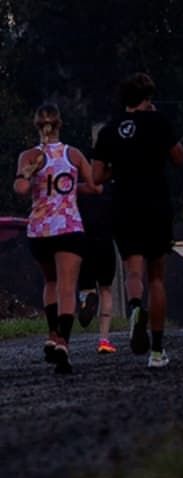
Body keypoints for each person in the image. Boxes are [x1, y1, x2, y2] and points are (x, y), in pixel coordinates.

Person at [91, 72, 183, 372]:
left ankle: (134, 308)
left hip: (124, 204)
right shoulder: (158, 121)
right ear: (147, 99)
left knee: (133, 269)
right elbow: (178, 158)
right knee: (156, 277)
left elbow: (96, 176)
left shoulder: (109, 130)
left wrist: (119, 166)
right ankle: (156, 351)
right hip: (156, 203)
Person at [13, 104, 94, 376]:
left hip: (40, 230)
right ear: (60, 124)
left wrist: (27, 174)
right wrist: (70, 189)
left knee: (50, 282)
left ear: (37, 126)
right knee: (67, 288)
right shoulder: (74, 154)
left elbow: (21, 188)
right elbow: (95, 186)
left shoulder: (29, 156)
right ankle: (63, 343)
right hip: (69, 227)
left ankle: (51, 334)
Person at [76, 154, 118, 355]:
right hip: (106, 244)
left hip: (84, 243)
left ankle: (86, 299)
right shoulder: (112, 191)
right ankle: (104, 339)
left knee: (85, 286)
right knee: (106, 290)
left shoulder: (80, 191)